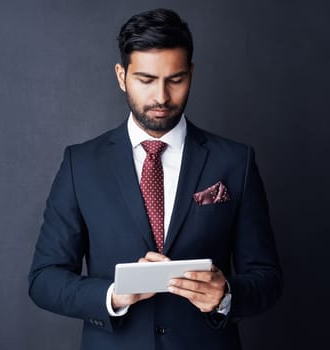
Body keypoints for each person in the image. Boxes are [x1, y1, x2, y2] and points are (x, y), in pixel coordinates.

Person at [28, 8, 283, 350]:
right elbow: (44, 278)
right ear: (122, 76)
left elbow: (268, 277)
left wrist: (225, 295)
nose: (161, 97)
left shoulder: (235, 161)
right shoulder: (80, 164)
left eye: (175, 80)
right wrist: (114, 294)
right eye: (146, 80)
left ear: (191, 74)